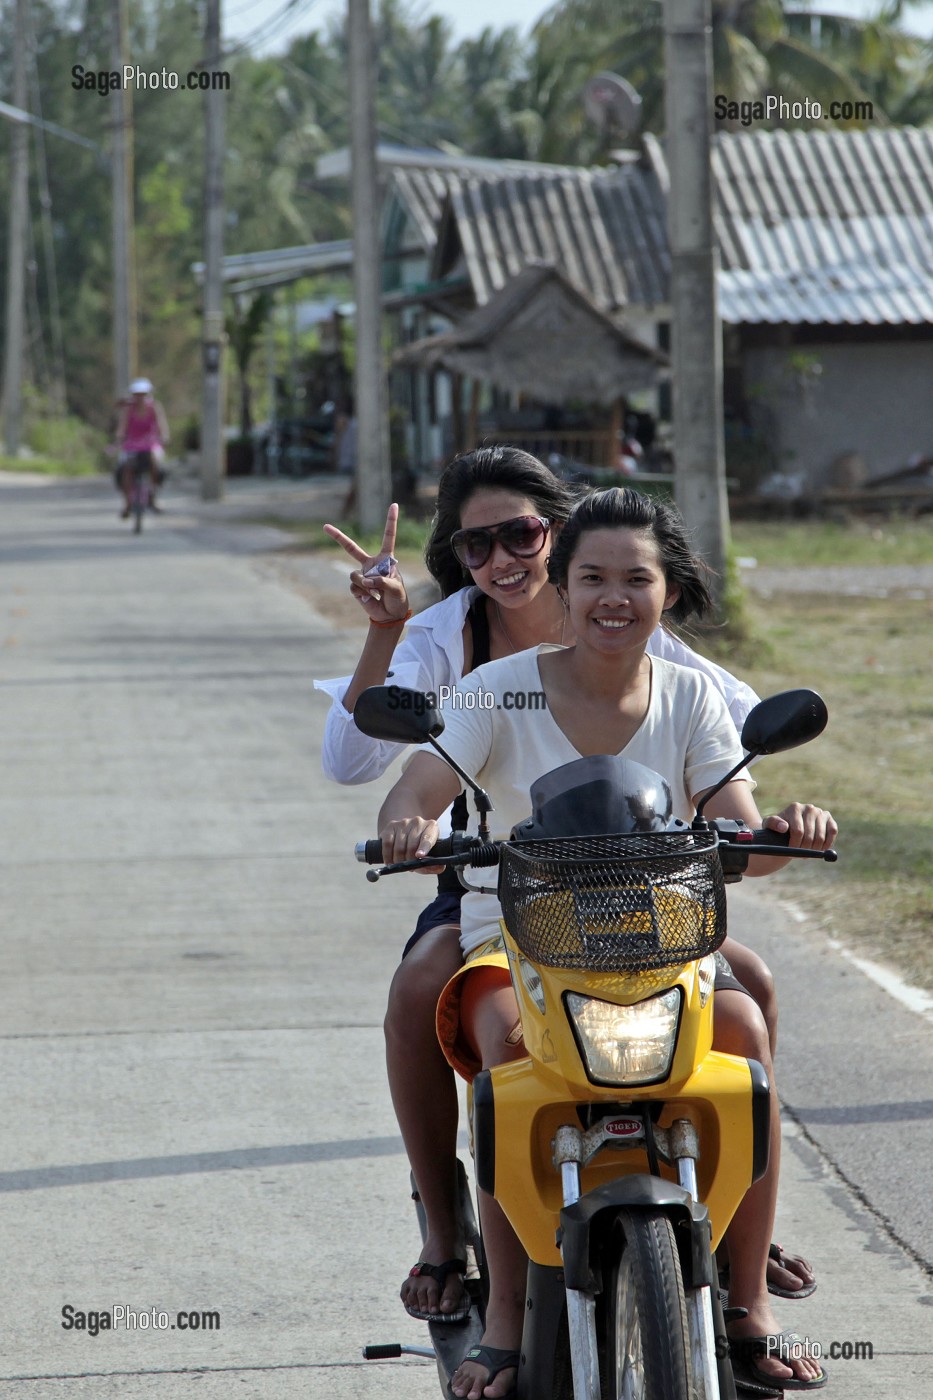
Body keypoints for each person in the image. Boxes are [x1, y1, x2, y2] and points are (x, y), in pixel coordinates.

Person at [315, 448, 812, 1318]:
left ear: (668, 592)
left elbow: (741, 819)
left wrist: (782, 830)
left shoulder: (690, 691)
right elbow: (407, 780)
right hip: (514, 920)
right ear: (566, 583)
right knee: (502, 1049)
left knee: (742, 1029)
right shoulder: (488, 686)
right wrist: (412, 822)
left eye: (635, 580)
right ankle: (499, 1307)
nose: (611, 598)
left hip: (659, 926)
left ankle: (745, 1301)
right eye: (592, 580)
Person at [114, 378, 169, 518]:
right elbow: (122, 428)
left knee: (155, 463)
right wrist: (119, 437)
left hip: (150, 443)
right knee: (126, 468)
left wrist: (164, 436)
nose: (140, 397)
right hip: (132, 444)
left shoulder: (155, 407)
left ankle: (152, 496)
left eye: (143, 394)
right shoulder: (128, 410)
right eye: (137, 394)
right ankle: (127, 503)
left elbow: (162, 425)